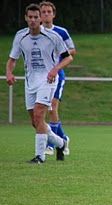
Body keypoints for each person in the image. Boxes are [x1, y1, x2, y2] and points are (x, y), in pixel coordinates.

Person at [5, 3, 72, 163]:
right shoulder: (20, 36)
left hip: (48, 81)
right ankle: (61, 143)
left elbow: (69, 57)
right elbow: (12, 59)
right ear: (26, 18)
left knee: (39, 114)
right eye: (30, 17)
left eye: (36, 17)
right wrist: (9, 72)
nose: (33, 20)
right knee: (36, 122)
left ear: (41, 18)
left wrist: (55, 70)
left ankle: (40, 157)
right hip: (30, 82)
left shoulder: (53, 36)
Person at [40, 1, 76, 157]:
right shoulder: (35, 33)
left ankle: (50, 145)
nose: (46, 14)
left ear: (53, 14)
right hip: (40, 76)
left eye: (49, 11)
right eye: (44, 12)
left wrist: (59, 57)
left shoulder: (61, 32)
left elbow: (72, 51)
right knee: (42, 111)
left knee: (52, 108)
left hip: (57, 74)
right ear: (40, 15)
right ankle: (63, 138)